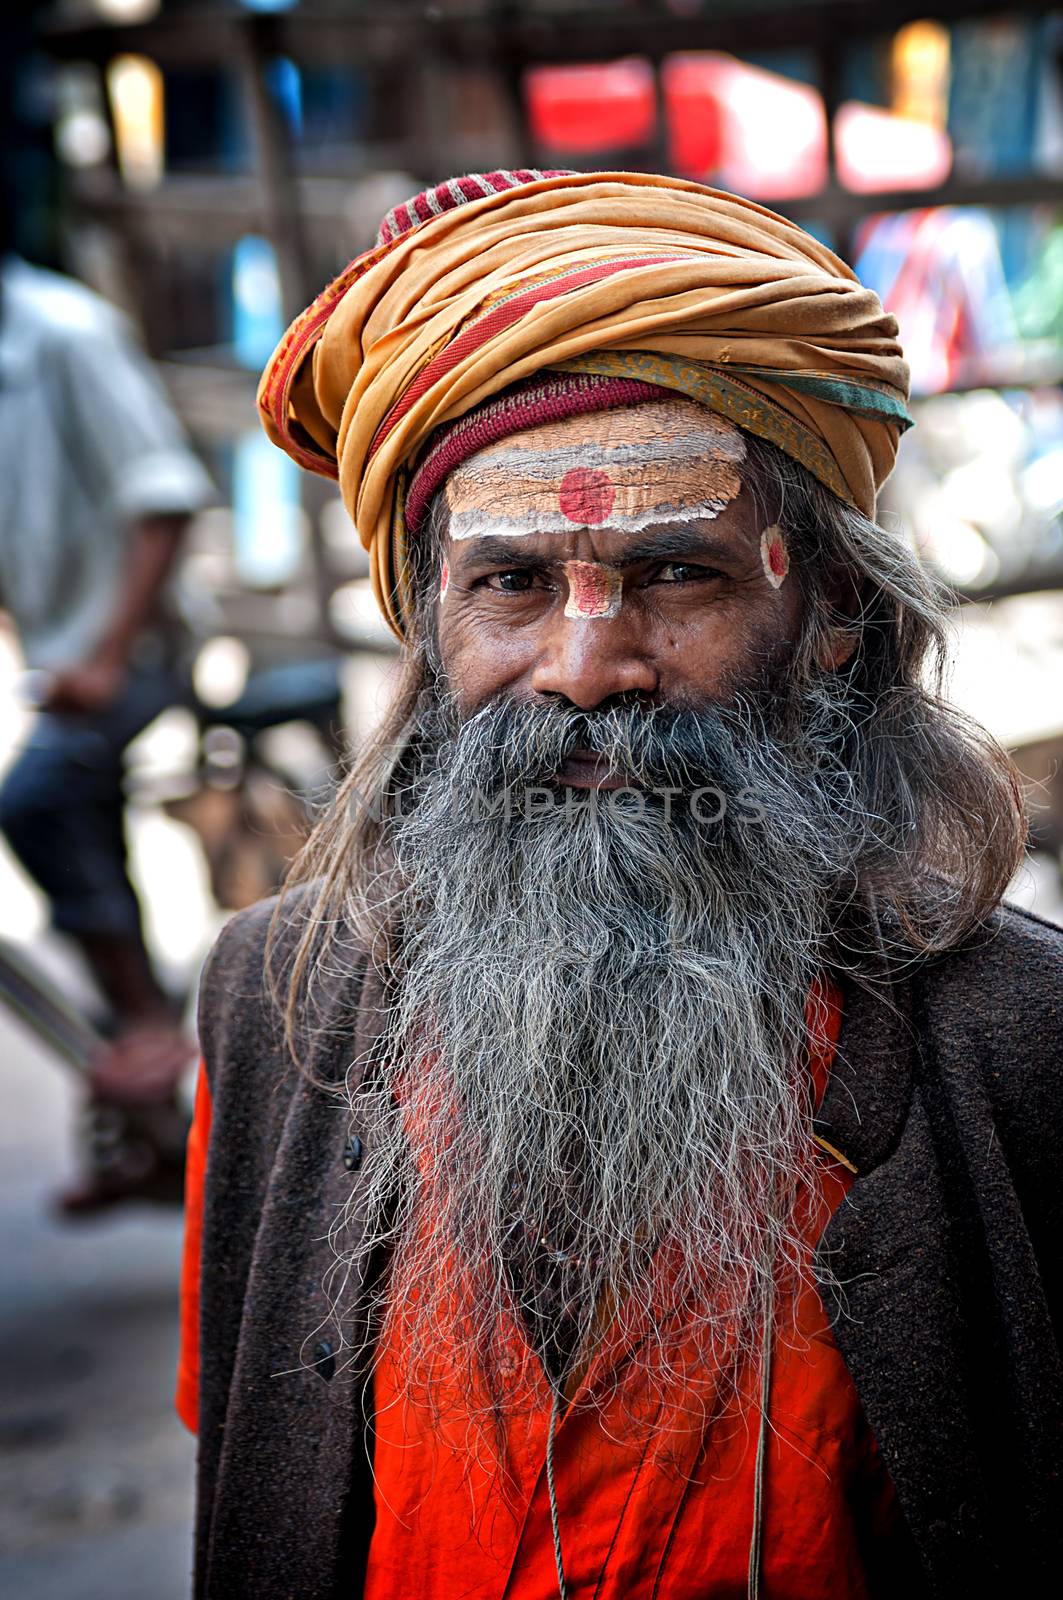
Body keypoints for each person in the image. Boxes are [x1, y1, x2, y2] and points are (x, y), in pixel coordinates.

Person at [178, 171, 1062, 1598]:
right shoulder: (273, 1010)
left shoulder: (1020, 1047)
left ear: (828, 612)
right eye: (510, 586)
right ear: (428, 625)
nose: (587, 668)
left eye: (675, 576)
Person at [0, 248, 214, 1205]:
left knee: (41, 799)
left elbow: (163, 499)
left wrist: (104, 655)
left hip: (141, 647)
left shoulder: (64, 332)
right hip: (65, 650)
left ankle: (141, 1024)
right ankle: (142, 1121)